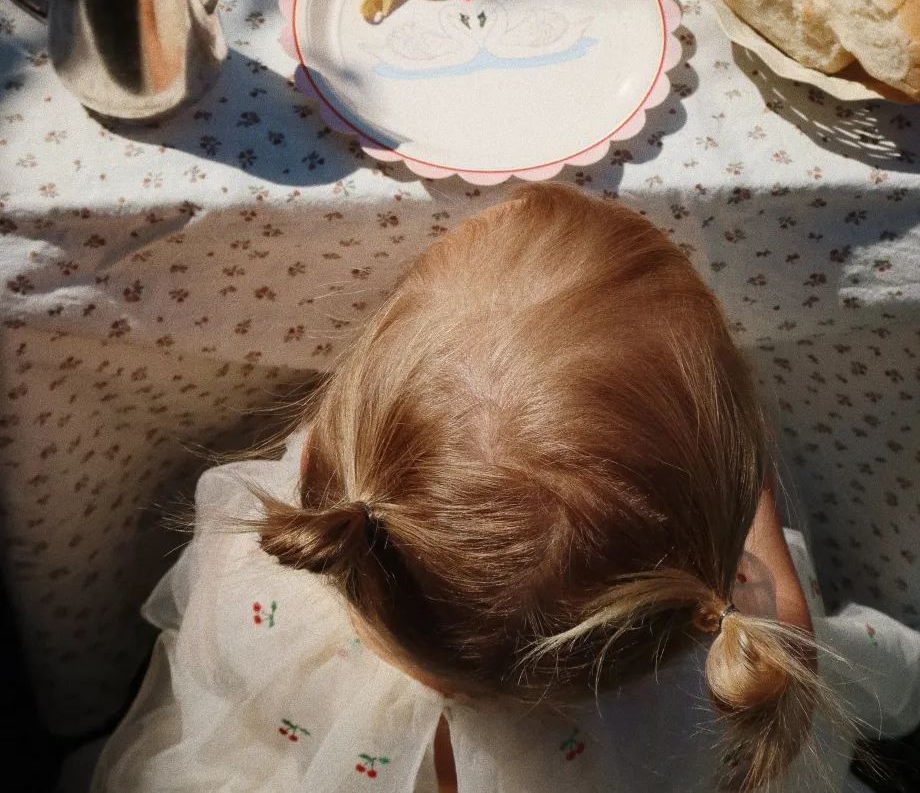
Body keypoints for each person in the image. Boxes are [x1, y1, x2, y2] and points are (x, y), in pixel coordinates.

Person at [91, 185, 920, 793]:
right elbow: (790, 634)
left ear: (321, 473)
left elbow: (209, 664)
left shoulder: (264, 591)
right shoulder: (720, 689)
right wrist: (754, 497)